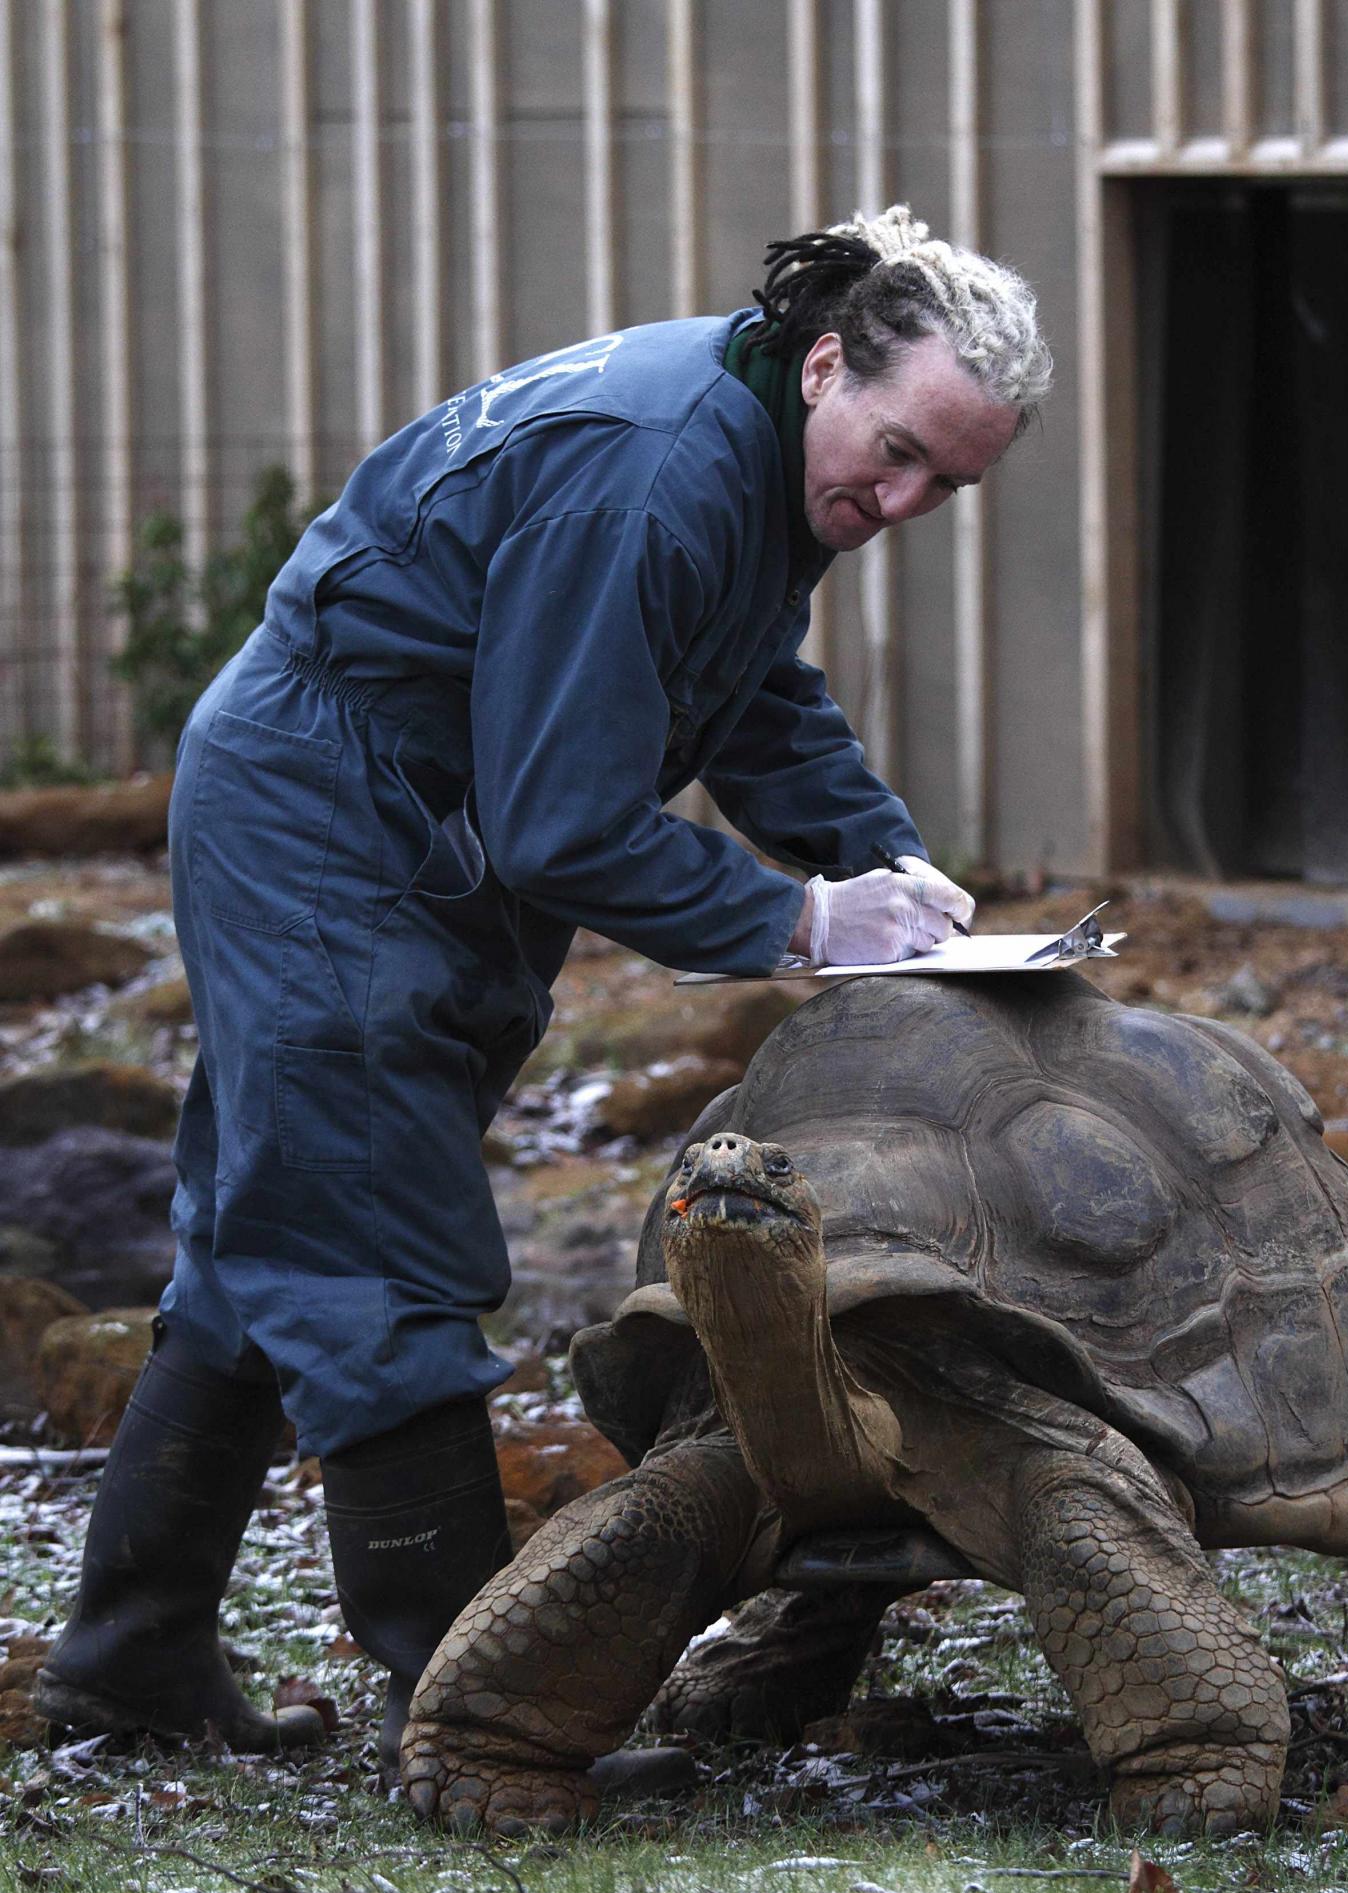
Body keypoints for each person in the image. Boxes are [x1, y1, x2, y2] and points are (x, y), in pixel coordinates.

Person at [35, 204, 1053, 1775]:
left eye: (949, 486)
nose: (902, 501)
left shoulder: (753, 444)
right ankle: (485, 1714)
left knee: (268, 1238)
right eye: (901, 450)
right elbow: (562, 821)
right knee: (380, 1250)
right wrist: (798, 922)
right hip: (330, 810)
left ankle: (130, 1658)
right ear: (834, 359)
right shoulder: (654, 476)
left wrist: (889, 879)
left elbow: (750, 692)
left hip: (395, 813)